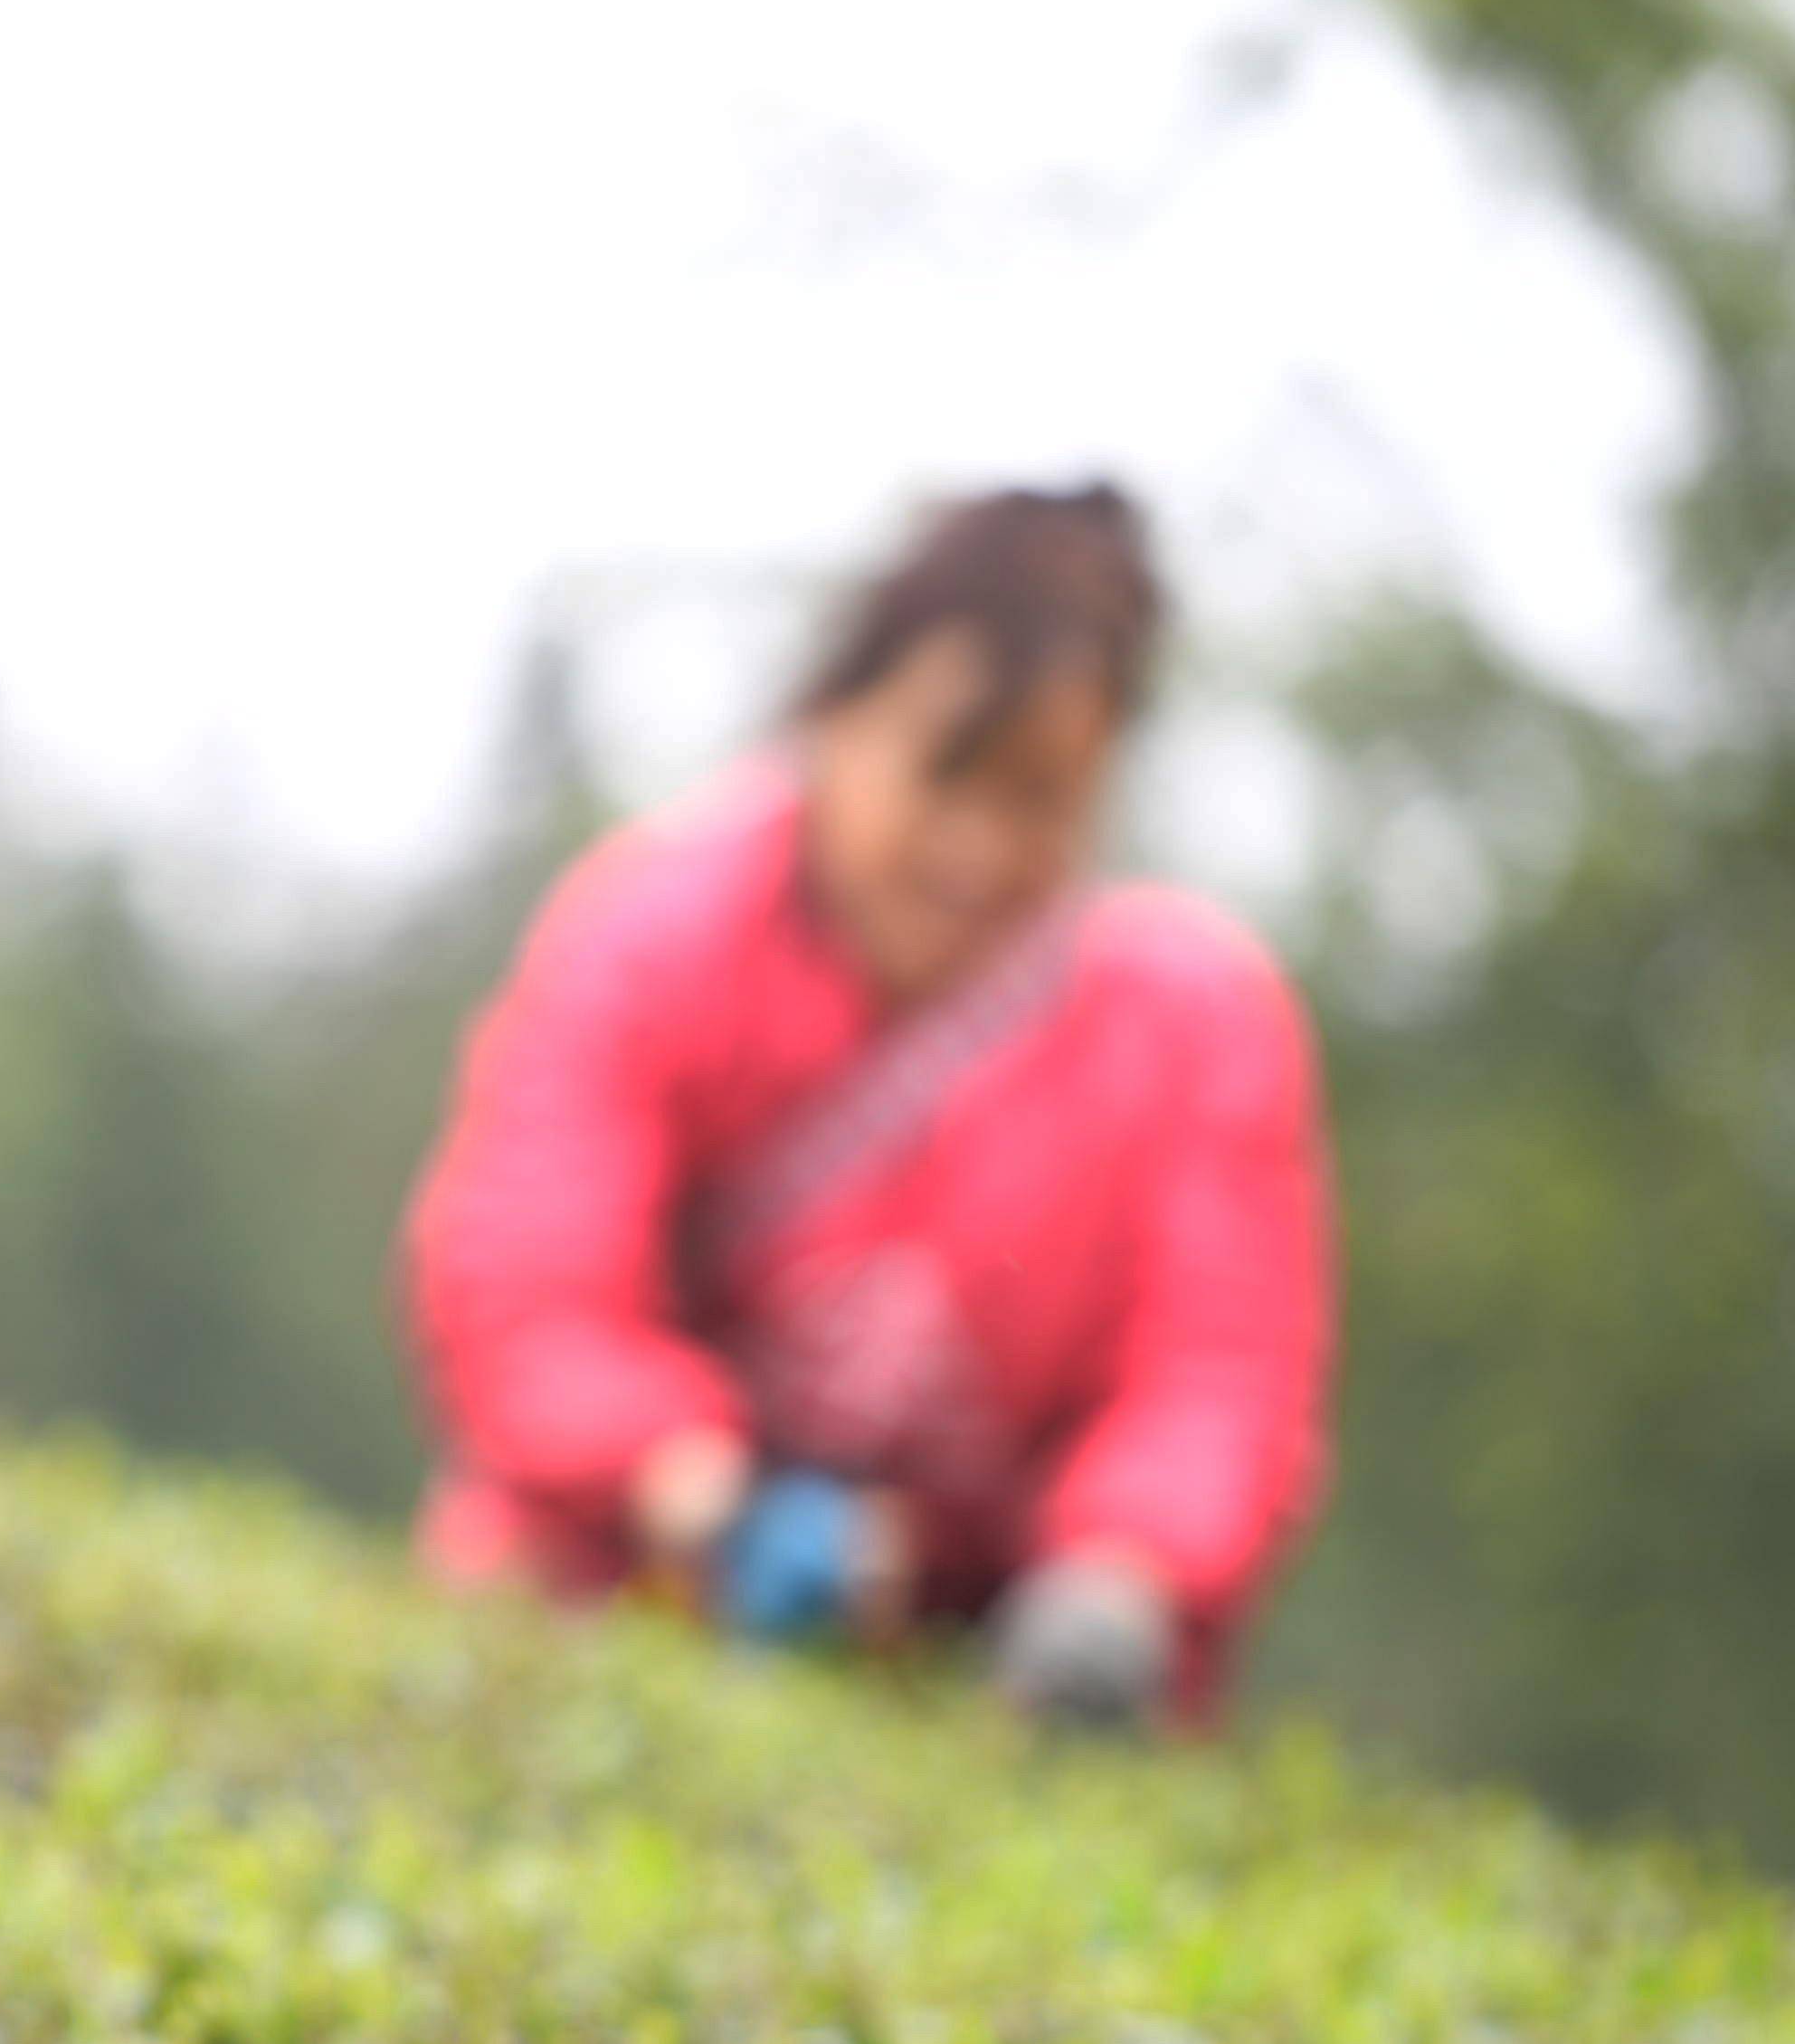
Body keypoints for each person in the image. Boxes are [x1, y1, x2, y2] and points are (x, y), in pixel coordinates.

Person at [401, 485, 1331, 1727]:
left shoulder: (1196, 1024)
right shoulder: (652, 934)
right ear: (836, 717)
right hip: (613, 1596)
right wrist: (708, 1501)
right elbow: (526, 1294)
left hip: (987, 1688)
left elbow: (1216, 1380)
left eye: (1039, 798)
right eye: (944, 775)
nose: (978, 848)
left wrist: (1117, 1587)